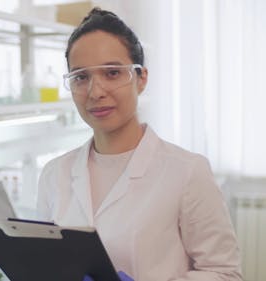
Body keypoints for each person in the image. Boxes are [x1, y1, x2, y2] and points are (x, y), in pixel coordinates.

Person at [37, 8, 242, 281]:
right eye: (81, 77)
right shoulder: (54, 174)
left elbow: (226, 273)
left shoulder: (187, 172)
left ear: (141, 78)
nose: (96, 92)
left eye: (112, 73)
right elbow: (44, 264)